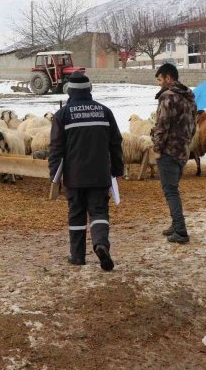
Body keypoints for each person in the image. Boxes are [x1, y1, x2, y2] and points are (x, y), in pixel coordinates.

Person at [49, 72, 123, 271]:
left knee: (76, 214)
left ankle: (77, 255)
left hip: (74, 176)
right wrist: (117, 169)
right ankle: (100, 244)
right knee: (99, 211)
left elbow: (56, 148)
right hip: (99, 174)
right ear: (90, 90)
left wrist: (54, 175)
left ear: (69, 91)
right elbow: (116, 143)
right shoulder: (104, 112)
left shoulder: (62, 115)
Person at [151, 63, 197, 244]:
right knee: (173, 188)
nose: (159, 84)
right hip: (183, 150)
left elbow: (162, 125)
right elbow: (193, 124)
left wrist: (157, 149)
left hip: (169, 150)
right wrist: (187, 143)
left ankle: (180, 230)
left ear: (168, 78)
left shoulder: (168, 97)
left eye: (160, 80)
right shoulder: (188, 97)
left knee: (170, 191)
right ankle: (174, 224)